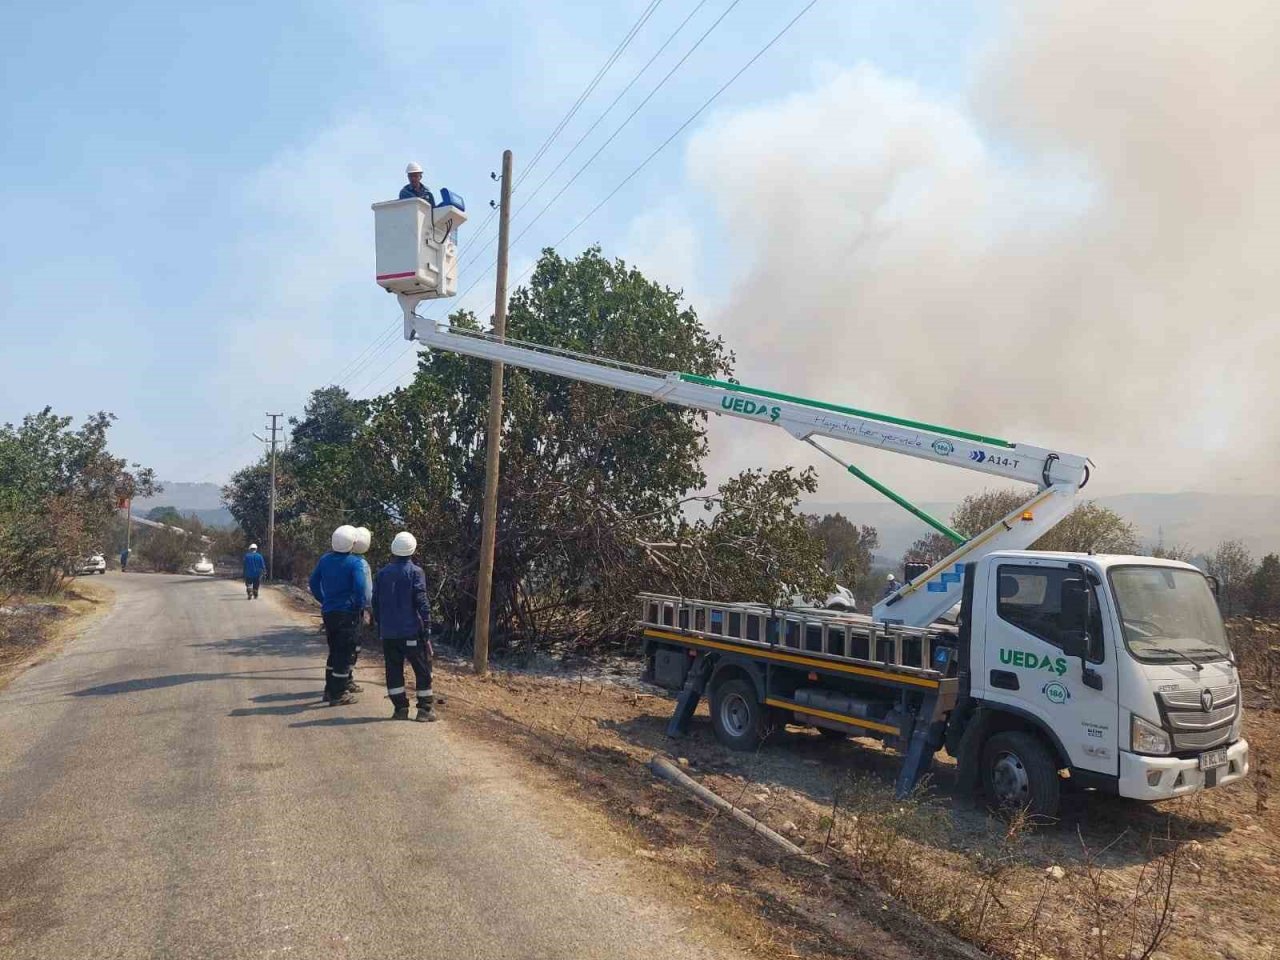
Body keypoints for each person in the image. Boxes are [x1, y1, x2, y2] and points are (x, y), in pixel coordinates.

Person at [372, 531, 437, 722]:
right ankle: (424, 710)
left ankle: (400, 709)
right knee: (422, 668)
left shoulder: (382, 574)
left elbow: (375, 602)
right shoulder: (416, 572)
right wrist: (427, 627)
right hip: (411, 632)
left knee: (393, 670)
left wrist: (381, 625)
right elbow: (421, 601)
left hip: (389, 633)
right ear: (413, 550)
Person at [308, 525, 369, 706]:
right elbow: (360, 589)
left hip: (329, 613)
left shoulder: (325, 560)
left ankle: (329, 690)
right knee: (344, 653)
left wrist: (323, 599)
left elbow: (313, 582)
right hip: (347, 613)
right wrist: (359, 607)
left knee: (334, 651)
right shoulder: (355, 563)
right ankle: (338, 693)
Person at [346, 526, 375, 693]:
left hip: (337, 609)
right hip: (354, 610)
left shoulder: (341, 558)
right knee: (353, 646)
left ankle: (338, 679)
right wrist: (368, 610)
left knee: (339, 647)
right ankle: (347, 678)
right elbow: (367, 591)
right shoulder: (361, 564)